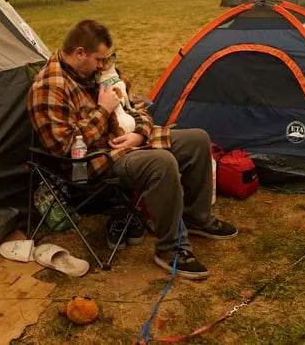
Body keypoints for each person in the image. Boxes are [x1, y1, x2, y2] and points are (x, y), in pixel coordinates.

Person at [28, 19, 237, 280]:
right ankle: (170, 249)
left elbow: (137, 106)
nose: (104, 65)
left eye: (107, 58)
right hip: (97, 159)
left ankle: (198, 218)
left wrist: (139, 134)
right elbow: (66, 147)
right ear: (80, 53)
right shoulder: (49, 87)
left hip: (128, 142)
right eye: (99, 59)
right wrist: (103, 110)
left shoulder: (100, 72)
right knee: (161, 163)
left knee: (198, 140)